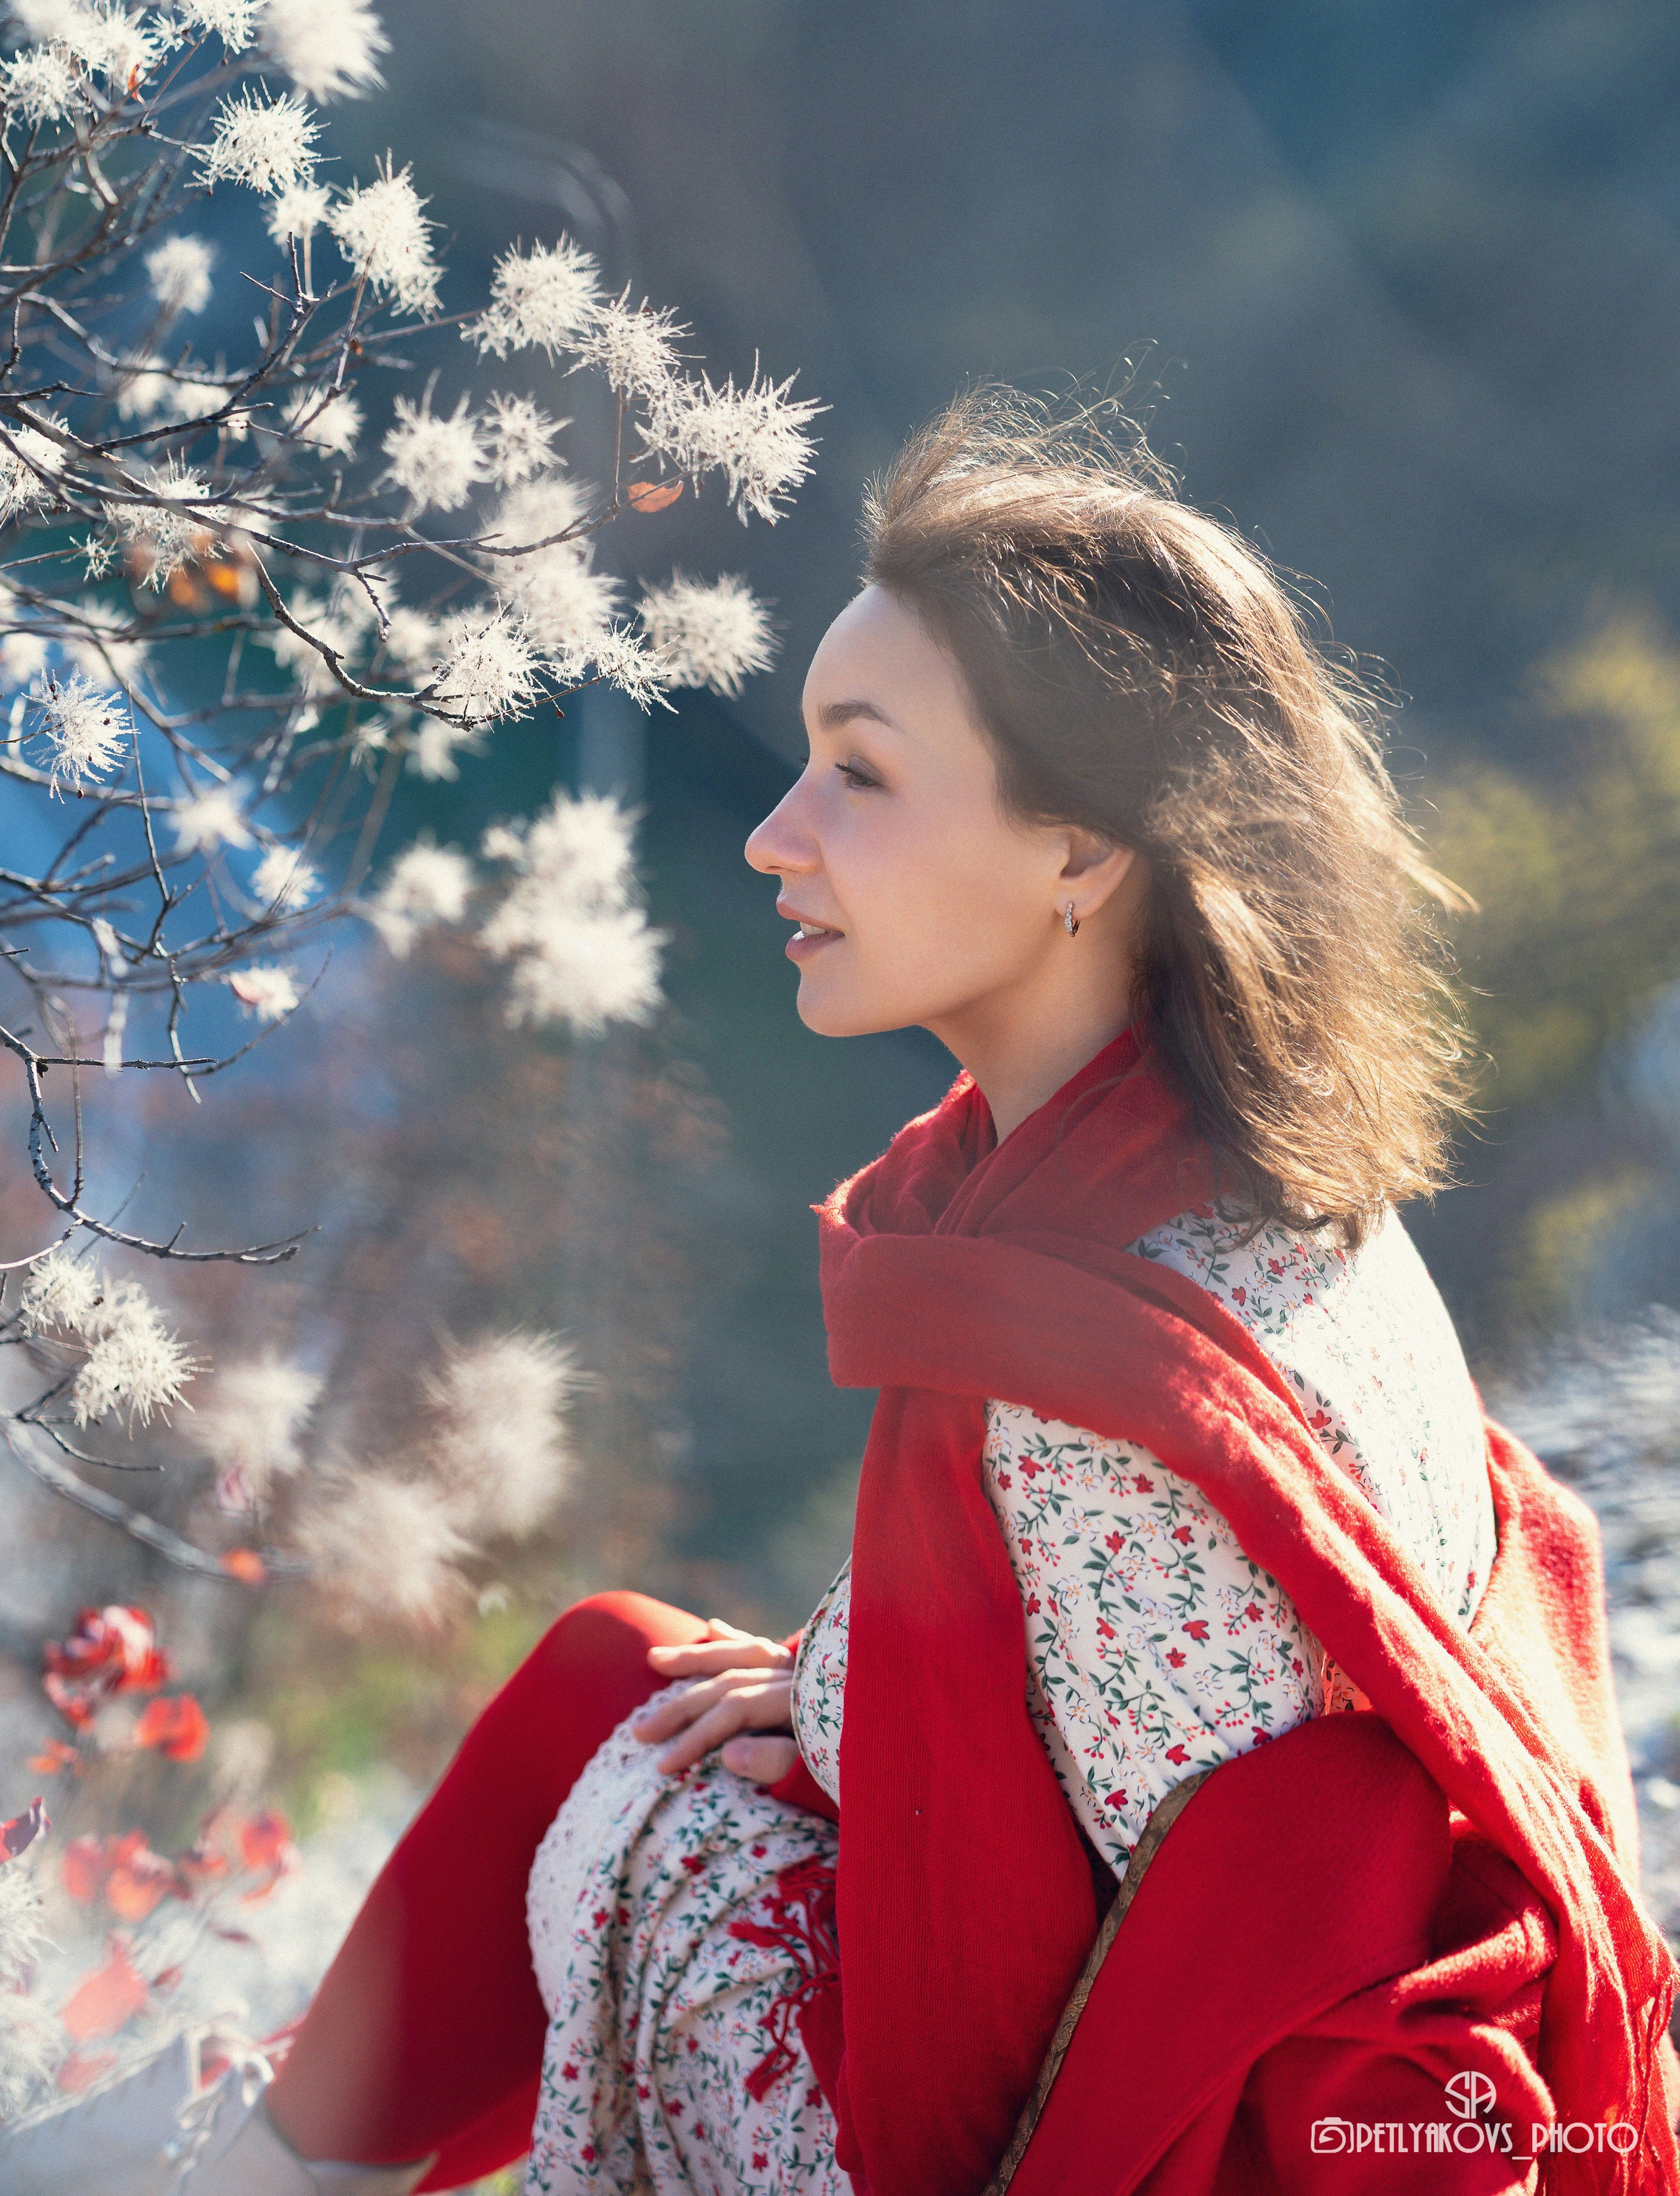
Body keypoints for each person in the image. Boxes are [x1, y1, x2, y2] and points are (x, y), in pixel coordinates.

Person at [7, 392, 1677, 2196]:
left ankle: (244, 2169)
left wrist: (828, 1734)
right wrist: (839, 1699)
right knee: (629, 1675)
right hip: (1177, 2011)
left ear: (1082, 851)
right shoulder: (1263, 1187)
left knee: (627, 1743)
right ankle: (259, 2161)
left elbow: (1094, 1966)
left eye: (861, 776)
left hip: (1065, 2139)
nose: (774, 835)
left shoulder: (1084, 1367)